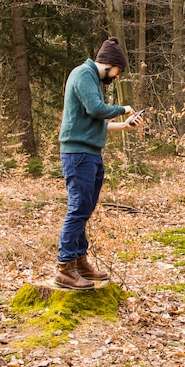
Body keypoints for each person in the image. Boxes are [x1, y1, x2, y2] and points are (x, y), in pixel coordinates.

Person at [54, 37, 143, 290]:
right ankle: (64, 267)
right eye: (118, 72)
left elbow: (96, 122)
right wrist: (123, 108)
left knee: (85, 208)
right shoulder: (83, 74)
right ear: (110, 64)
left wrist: (125, 125)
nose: (116, 77)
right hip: (78, 154)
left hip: (90, 153)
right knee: (78, 208)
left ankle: (79, 261)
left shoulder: (91, 80)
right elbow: (96, 109)